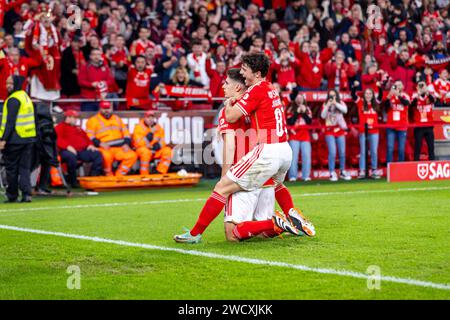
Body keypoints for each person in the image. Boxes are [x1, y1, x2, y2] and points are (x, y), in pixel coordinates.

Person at [174, 53, 314, 244]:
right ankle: (290, 217)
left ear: (255, 74)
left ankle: (195, 233)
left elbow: (230, 133)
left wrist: (229, 105)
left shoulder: (250, 94)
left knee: (224, 198)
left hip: (262, 156)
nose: (223, 86)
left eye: (244, 69)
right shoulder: (271, 89)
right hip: (283, 151)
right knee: (277, 187)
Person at [0, 76, 36, 203]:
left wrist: (3, 140)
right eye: (7, 83)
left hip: (15, 140)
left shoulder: (13, 100)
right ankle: (27, 195)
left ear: (16, 84)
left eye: (10, 83)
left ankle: (12, 195)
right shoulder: (25, 97)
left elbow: (10, 122)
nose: (8, 85)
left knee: (11, 169)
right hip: (28, 138)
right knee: (25, 168)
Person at [85, 101, 137, 176]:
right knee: (106, 156)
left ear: (111, 109)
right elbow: (89, 136)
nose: (106, 110)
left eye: (108, 108)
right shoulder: (92, 120)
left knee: (132, 155)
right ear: (100, 109)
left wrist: (126, 144)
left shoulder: (117, 119)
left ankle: (119, 175)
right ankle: (108, 175)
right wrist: (100, 143)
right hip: (104, 147)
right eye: (104, 108)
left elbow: (126, 133)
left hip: (119, 147)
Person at [55, 110, 103, 188]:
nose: (76, 120)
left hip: (81, 150)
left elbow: (87, 138)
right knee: (71, 157)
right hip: (66, 151)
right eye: (75, 118)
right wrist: (68, 147)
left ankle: (92, 178)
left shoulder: (78, 128)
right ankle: (73, 181)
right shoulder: (60, 127)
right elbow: (58, 139)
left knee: (97, 154)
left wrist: (90, 145)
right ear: (68, 118)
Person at [351, 83, 382, 179]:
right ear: (364, 95)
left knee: (374, 151)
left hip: (374, 131)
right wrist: (355, 86)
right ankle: (362, 171)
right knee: (363, 151)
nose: (368, 95)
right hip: (363, 131)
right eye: (366, 93)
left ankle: (374, 170)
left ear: (373, 95)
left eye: (370, 94)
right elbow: (353, 94)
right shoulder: (360, 102)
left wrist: (379, 87)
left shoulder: (376, 103)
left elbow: (381, 95)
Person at [321, 89, 351, 182]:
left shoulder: (340, 102)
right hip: (329, 130)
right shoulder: (325, 104)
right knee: (332, 152)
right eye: (330, 96)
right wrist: (328, 105)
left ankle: (342, 171)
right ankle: (332, 172)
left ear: (336, 96)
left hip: (339, 129)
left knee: (342, 152)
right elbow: (323, 116)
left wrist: (335, 103)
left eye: (334, 96)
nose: (332, 98)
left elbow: (345, 110)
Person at [132, 110, 172, 175]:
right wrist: (150, 133)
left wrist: (157, 146)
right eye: (148, 117)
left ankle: (160, 172)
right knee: (145, 152)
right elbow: (138, 144)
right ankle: (144, 176)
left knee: (168, 151)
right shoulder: (138, 127)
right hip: (142, 150)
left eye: (152, 117)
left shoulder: (158, 127)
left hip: (155, 150)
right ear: (144, 118)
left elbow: (163, 141)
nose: (150, 119)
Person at [286, 92, 312, 182]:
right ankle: (293, 176)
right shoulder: (291, 109)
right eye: (297, 98)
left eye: (301, 98)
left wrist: (304, 112)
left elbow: (309, 122)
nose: (299, 99)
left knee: (306, 156)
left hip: (305, 136)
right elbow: (290, 122)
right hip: (294, 136)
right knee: (294, 157)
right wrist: (297, 112)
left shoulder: (307, 108)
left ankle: (306, 176)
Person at [384, 81, 410, 163]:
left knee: (401, 148)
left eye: (399, 85)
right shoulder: (389, 95)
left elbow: (406, 103)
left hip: (402, 126)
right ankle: (389, 166)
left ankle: (400, 167)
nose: (398, 86)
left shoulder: (405, 95)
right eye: (396, 85)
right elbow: (385, 108)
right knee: (390, 147)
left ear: (402, 86)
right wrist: (389, 97)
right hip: (391, 125)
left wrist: (398, 95)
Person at [410, 81, 435, 161]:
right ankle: (415, 164)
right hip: (419, 126)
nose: (421, 87)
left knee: (431, 146)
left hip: (429, 125)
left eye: (423, 85)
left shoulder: (429, 95)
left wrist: (426, 91)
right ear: (417, 87)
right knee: (417, 146)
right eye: (420, 86)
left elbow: (433, 100)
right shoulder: (414, 95)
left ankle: (432, 163)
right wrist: (418, 94)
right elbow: (412, 105)